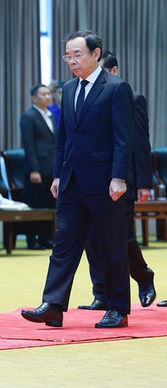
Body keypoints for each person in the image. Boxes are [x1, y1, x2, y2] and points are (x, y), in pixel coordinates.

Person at [22, 30, 133, 329]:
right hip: (71, 182)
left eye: (77, 54)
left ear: (96, 54)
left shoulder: (116, 88)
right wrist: (58, 174)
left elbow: (124, 138)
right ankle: (53, 305)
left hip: (105, 182)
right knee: (64, 244)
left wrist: (119, 177)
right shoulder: (69, 89)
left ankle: (118, 307)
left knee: (111, 244)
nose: (71, 60)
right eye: (67, 56)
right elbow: (64, 139)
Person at [79, 50, 156, 310]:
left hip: (122, 180)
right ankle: (101, 293)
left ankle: (143, 277)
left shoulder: (132, 99)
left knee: (121, 236)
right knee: (91, 237)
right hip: (91, 179)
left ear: (113, 71)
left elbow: (140, 144)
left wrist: (144, 182)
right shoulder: (82, 97)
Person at [19, 84, 58, 249]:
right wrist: (34, 169)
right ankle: (31, 240)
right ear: (34, 98)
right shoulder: (29, 116)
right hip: (37, 168)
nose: (47, 97)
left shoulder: (51, 116)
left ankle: (45, 238)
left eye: (49, 94)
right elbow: (29, 145)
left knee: (49, 204)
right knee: (35, 205)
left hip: (51, 167)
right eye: (43, 94)